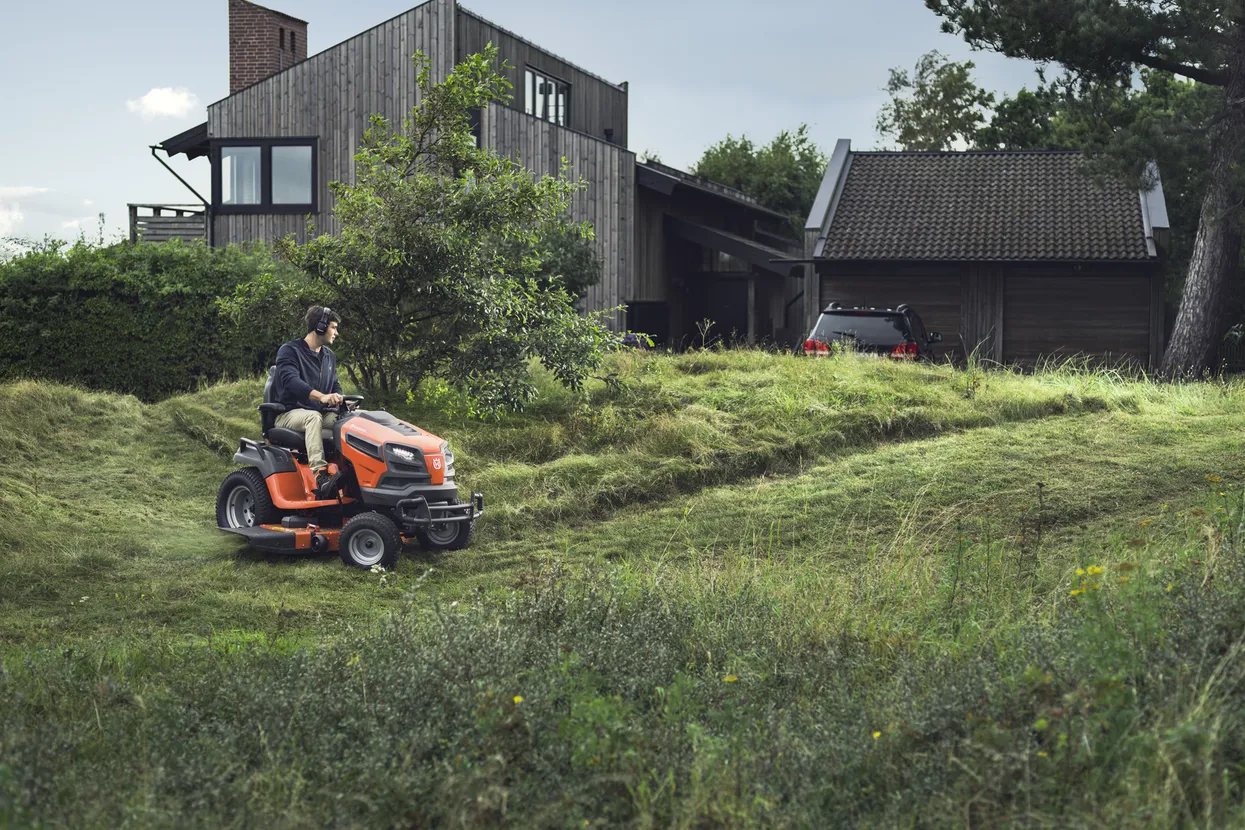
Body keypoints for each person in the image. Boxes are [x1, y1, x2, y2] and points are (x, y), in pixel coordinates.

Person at [275, 305, 346, 497]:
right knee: (313, 417)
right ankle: (321, 476)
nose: (336, 333)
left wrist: (339, 398)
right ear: (320, 327)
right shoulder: (289, 351)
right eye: (333, 327)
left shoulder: (329, 356)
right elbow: (291, 382)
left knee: (351, 420)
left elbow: (335, 385)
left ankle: (351, 472)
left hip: (320, 412)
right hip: (288, 413)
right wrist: (321, 396)